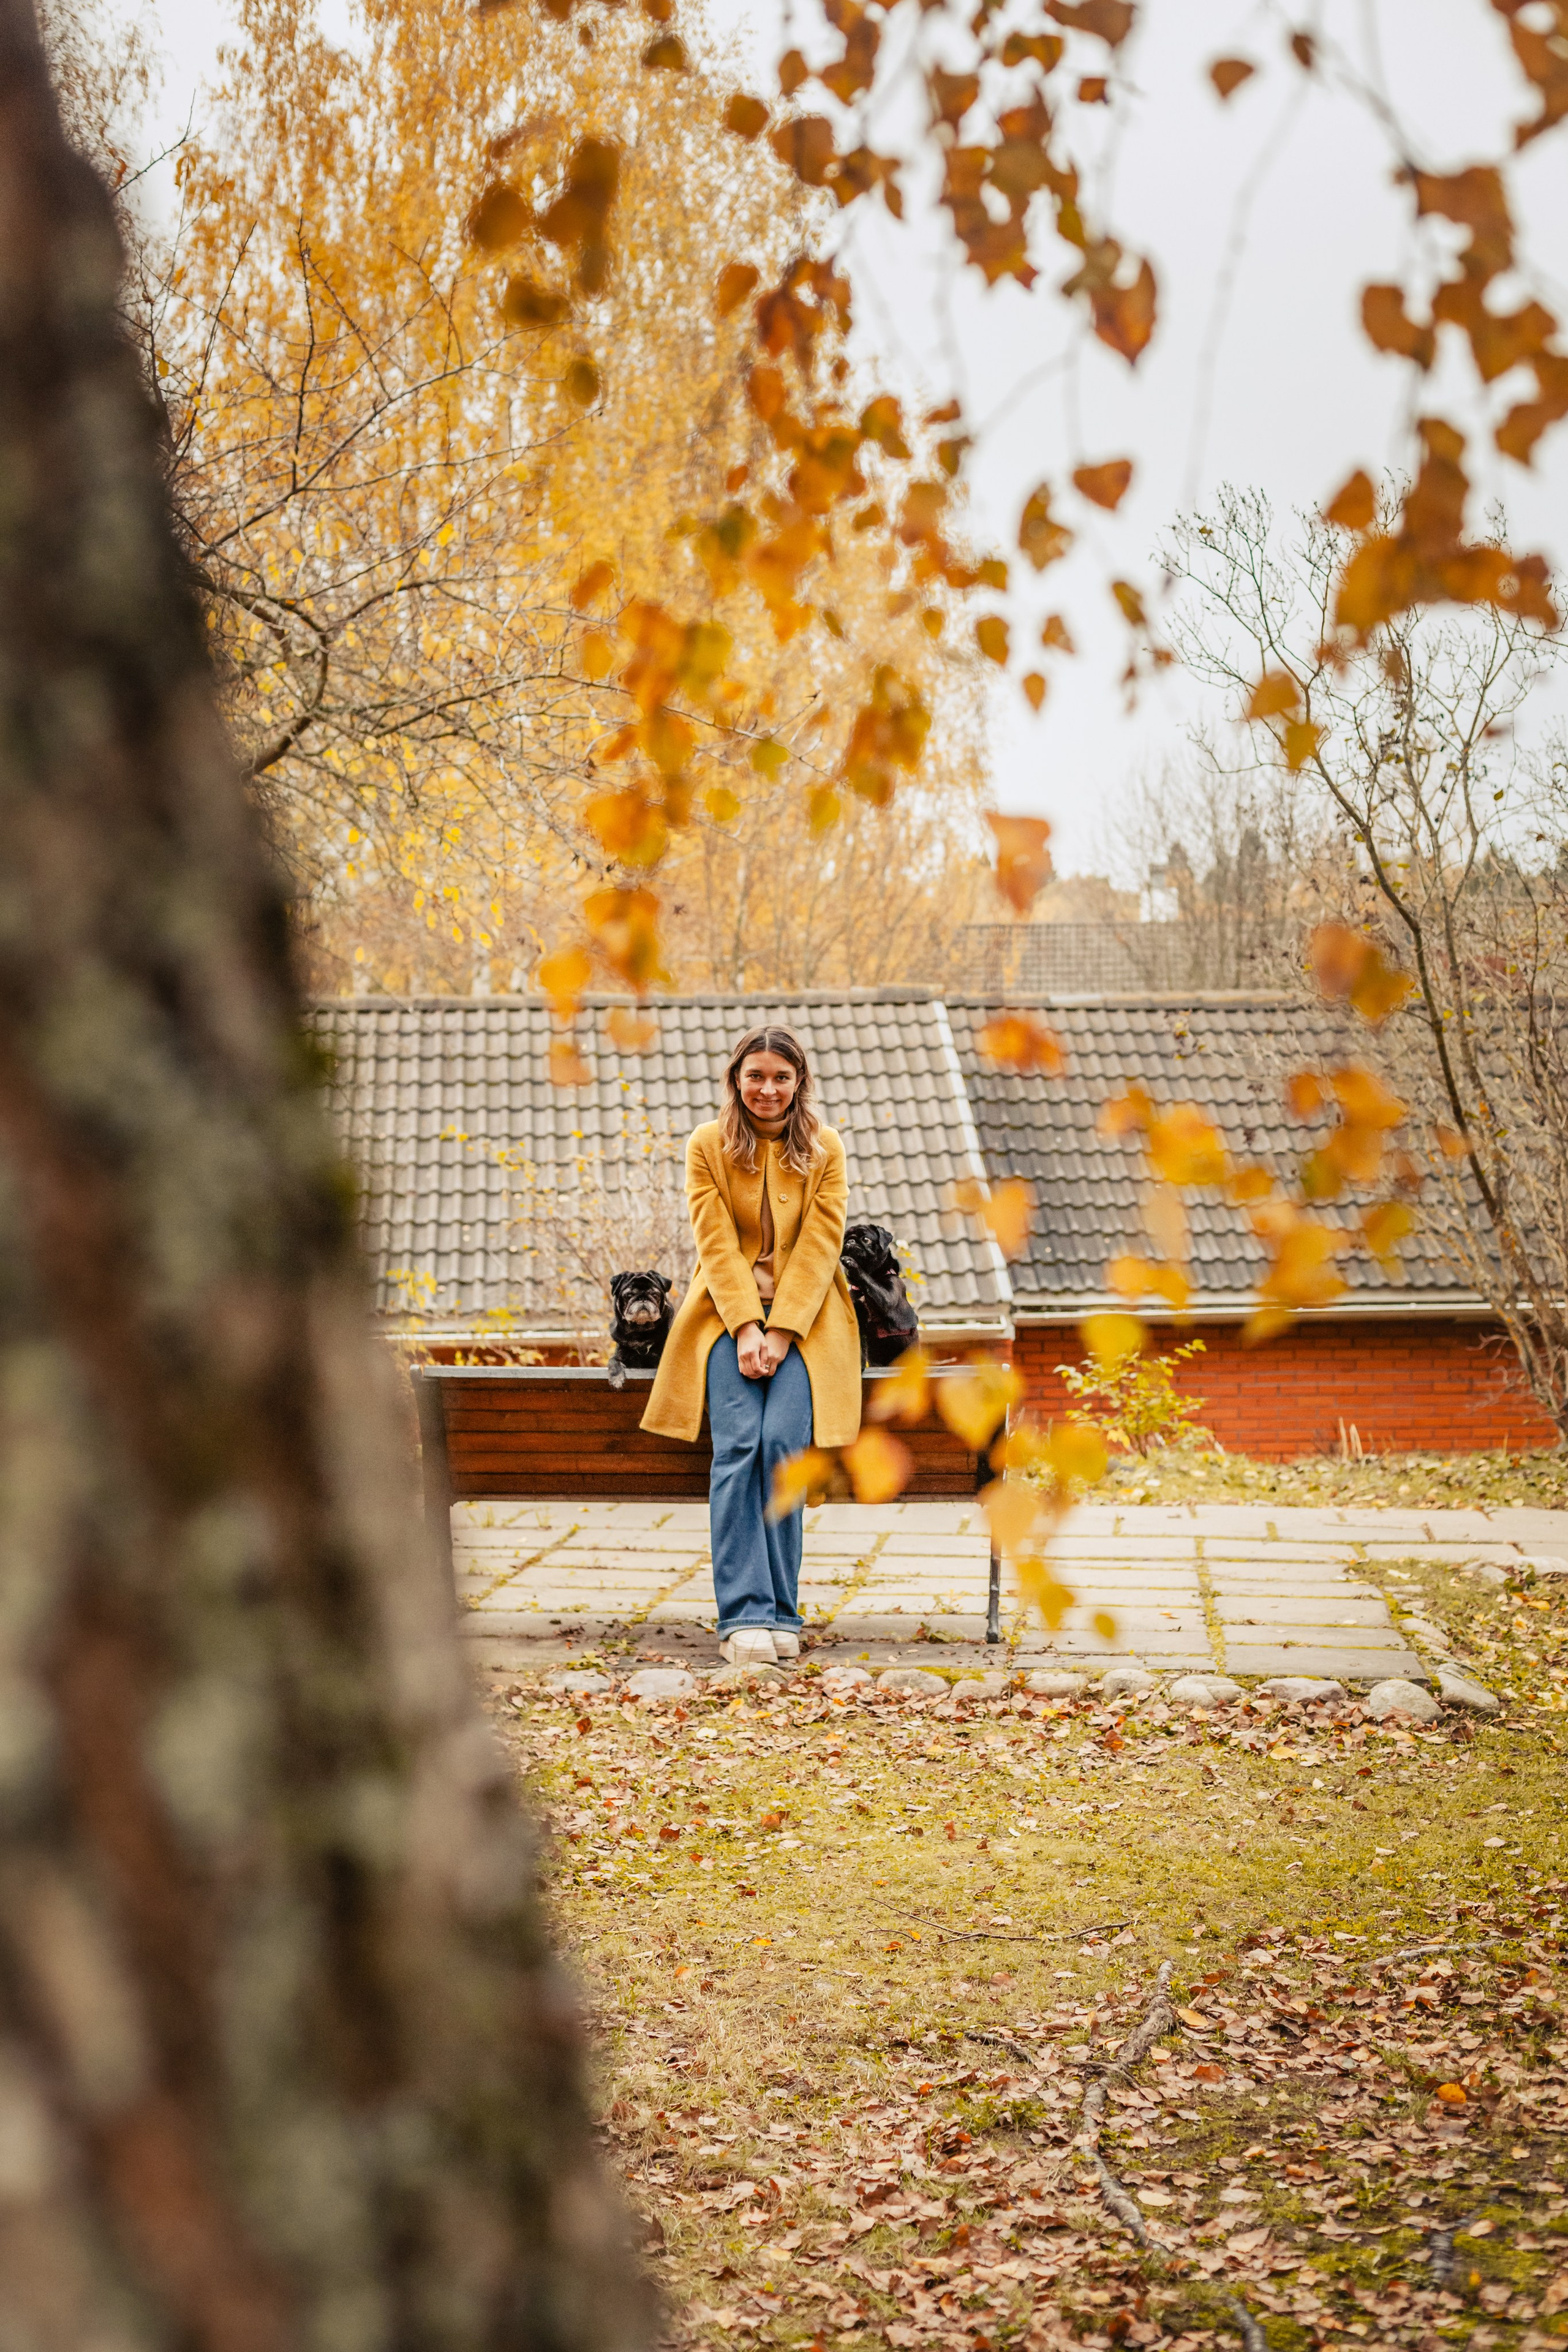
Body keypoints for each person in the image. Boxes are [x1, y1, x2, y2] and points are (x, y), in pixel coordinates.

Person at [641, 1026, 862, 1665]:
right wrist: (745, 1328)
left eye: (781, 1077)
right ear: (736, 1078)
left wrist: (782, 1330)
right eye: (756, 1075)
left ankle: (782, 1611)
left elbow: (822, 1247)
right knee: (738, 1446)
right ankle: (744, 1617)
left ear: (800, 1082)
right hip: (722, 1317)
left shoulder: (825, 1148)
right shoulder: (707, 1146)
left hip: (810, 1320)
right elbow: (713, 1245)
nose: (768, 1089)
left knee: (781, 1446)